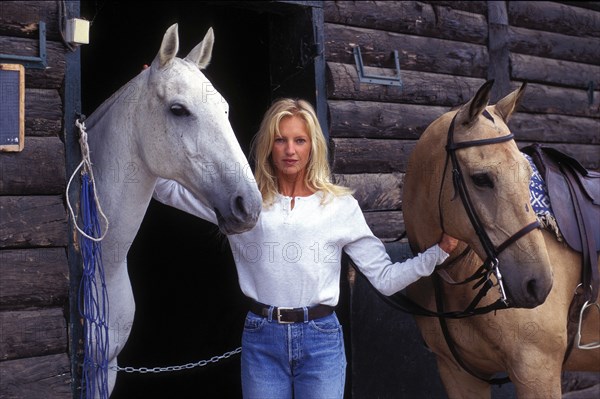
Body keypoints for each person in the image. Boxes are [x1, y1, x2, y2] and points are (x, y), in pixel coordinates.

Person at [153, 98, 458, 398]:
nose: (289, 150)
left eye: (299, 140)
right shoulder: (244, 204)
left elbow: (385, 279)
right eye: (280, 140)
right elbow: (165, 189)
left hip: (321, 341)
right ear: (268, 146)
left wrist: (437, 253)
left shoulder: (339, 206)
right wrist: (159, 112)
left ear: (313, 146)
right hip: (262, 339)